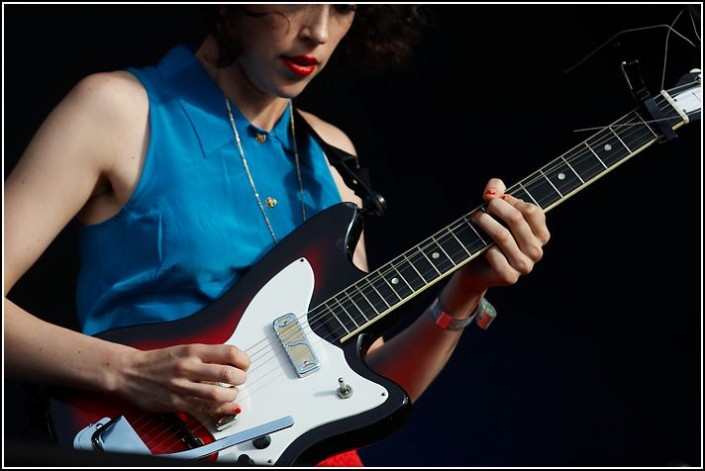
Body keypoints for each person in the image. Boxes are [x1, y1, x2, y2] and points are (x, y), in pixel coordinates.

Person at [4, 4, 550, 467]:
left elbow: (366, 381)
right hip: (142, 444)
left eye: (342, 7)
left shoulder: (335, 160)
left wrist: (462, 293)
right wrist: (129, 371)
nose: (318, 30)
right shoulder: (117, 109)